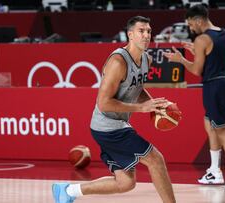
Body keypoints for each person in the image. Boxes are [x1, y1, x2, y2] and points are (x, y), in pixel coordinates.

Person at [52, 16, 176, 203]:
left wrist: (154, 107)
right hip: (108, 126)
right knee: (156, 160)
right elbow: (104, 103)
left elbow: (137, 88)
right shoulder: (118, 62)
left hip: (117, 124)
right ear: (130, 35)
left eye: (149, 31)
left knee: (125, 183)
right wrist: (141, 108)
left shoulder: (146, 59)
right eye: (141, 31)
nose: (146, 35)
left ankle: (69, 191)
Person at [164, 4, 225, 189]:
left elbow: (197, 70)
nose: (190, 28)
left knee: (223, 130)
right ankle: (214, 170)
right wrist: (195, 51)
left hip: (214, 87)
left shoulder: (202, 39)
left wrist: (181, 60)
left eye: (190, 24)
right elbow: (216, 56)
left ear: (198, 20)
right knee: (209, 123)